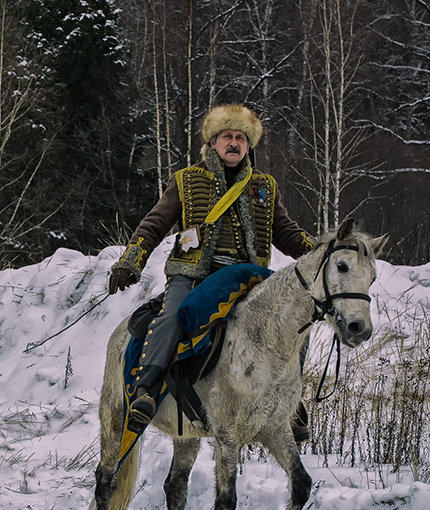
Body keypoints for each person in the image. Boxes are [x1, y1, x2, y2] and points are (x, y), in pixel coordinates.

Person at [108, 103, 315, 432]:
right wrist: (131, 260)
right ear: (213, 144)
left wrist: (321, 252)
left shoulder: (265, 187)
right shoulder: (186, 181)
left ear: (249, 146)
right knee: (174, 315)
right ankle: (147, 389)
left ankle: (290, 400)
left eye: (240, 138)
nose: (234, 143)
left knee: (294, 319)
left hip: (249, 278)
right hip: (193, 274)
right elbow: (153, 225)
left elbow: (287, 233)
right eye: (227, 136)